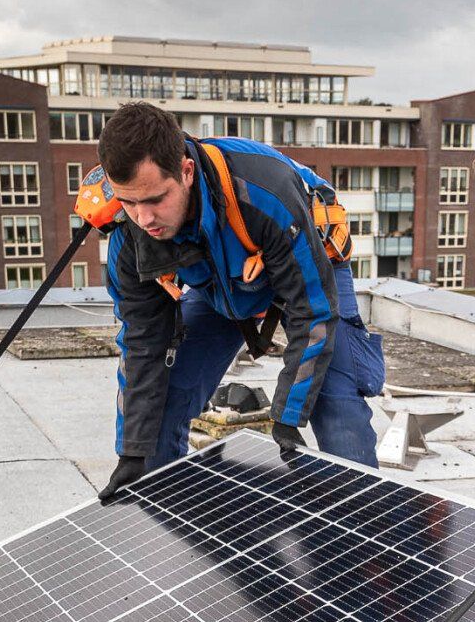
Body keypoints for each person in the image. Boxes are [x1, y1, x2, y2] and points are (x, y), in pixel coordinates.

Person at [95, 102, 384, 497]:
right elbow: (142, 344)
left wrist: (286, 416)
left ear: (186, 171)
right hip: (224, 283)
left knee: (337, 412)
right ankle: (165, 520)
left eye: (155, 199)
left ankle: (363, 537)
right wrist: (132, 453)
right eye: (129, 203)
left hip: (308, 269)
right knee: (162, 406)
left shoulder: (264, 193)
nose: (143, 218)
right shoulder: (131, 238)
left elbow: (312, 311)